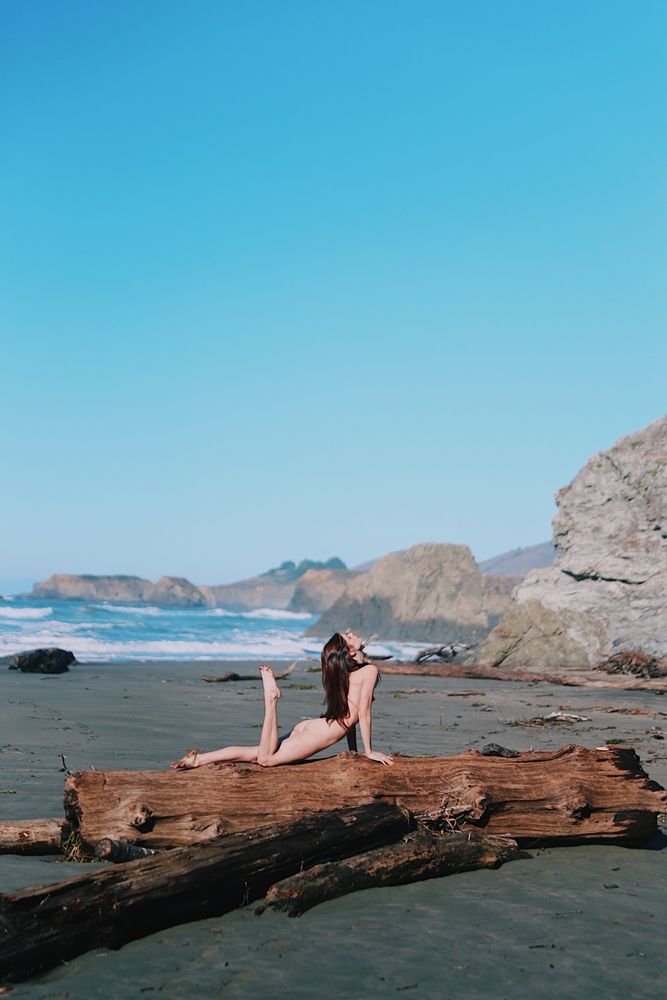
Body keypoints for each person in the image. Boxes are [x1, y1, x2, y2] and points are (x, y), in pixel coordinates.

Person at [171, 630, 393, 768]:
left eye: (348, 635)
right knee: (266, 760)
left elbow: (353, 715)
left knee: (256, 753)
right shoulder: (369, 671)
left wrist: (354, 753)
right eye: (348, 637)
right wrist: (368, 752)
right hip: (324, 731)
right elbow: (363, 713)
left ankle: (198, 760)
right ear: (351, 652)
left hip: (315, 726)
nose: (351, 633)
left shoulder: (352, 673)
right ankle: (271, 699)